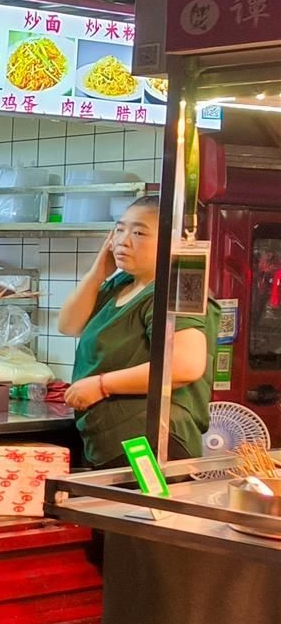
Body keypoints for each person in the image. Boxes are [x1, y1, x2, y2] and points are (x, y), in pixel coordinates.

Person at [59, 195, 219, 467]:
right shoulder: (121, 284)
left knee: (146, 511)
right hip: (110, 441)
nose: (124, 240)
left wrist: (101, 385)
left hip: (148, 440)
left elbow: (185, 365)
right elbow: (68, 325)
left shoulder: (173, 291)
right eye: (120, 230)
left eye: (139, 232)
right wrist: (98, 272)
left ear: (171, 242)